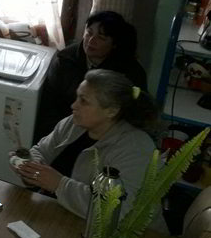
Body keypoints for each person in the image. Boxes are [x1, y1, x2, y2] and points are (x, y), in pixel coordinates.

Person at [11, 69, 166, 229]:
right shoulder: (73, 123)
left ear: (112, 110)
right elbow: (41, 151)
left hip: (131, 237)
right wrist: (29, 167)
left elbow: (117, 210)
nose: (73, 105)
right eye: (77, 97)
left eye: (83, 101)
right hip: (69, 219)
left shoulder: (135, 148)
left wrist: (59, 185)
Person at [33, 11, 147, 144]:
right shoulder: (64, 60)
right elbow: (48, 108)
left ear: (114, 44)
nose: (91, 41)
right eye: (89, 33)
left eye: (101, 38)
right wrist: (57, 139)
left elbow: (134, 116)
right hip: (63, 134)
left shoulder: (129, 72)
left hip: (105, 139)